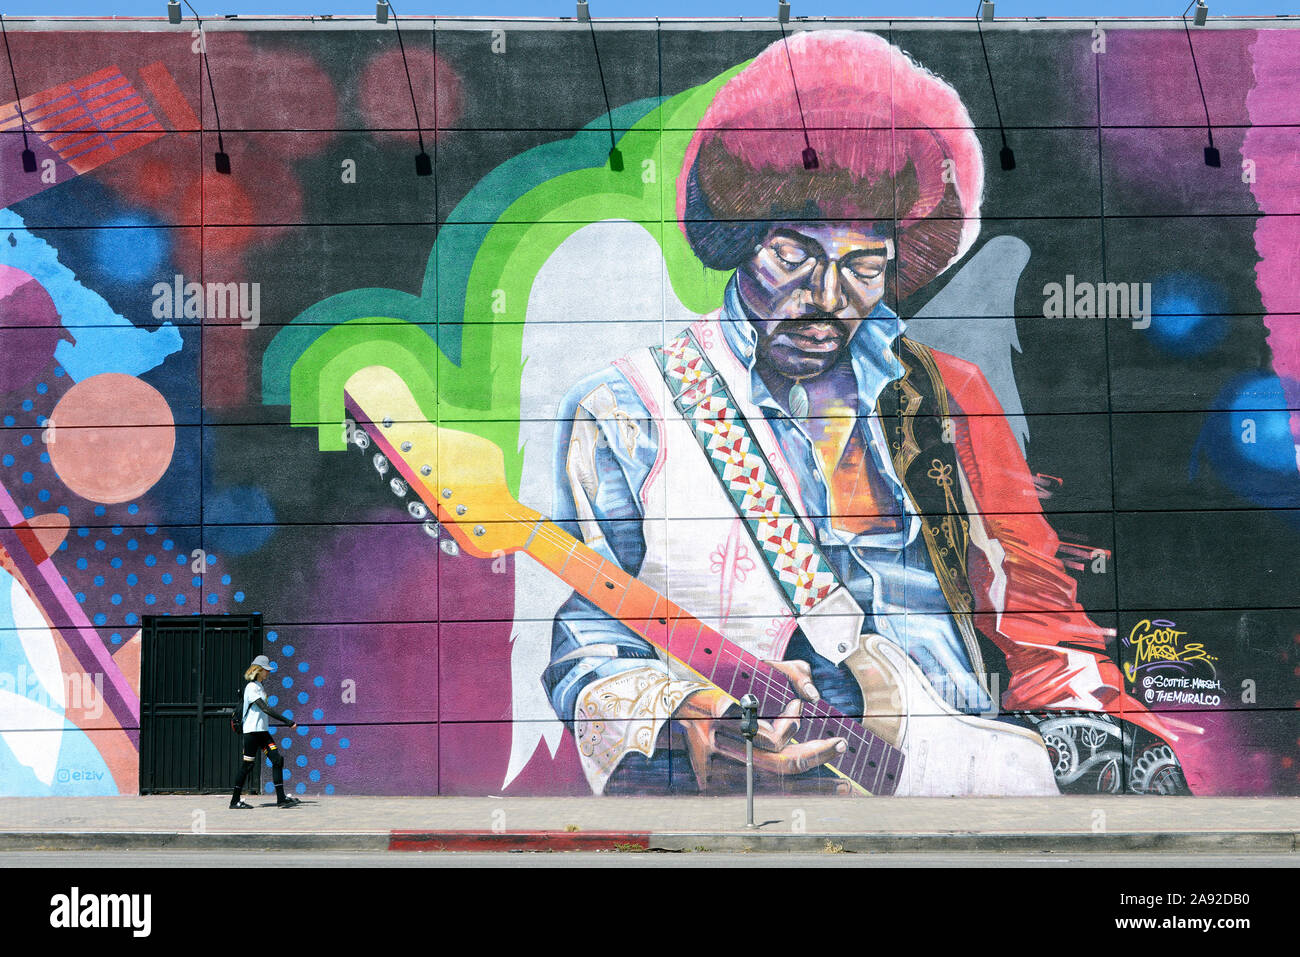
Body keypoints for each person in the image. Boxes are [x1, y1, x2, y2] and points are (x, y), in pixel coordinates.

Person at [543, 30, 1189, 796]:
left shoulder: (948, 396)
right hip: (778, 791)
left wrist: (1103, 738)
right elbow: (588, 649)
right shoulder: (630, 410)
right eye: (793, 257)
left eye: (863, 267)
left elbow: (1038, 608)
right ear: (740, 239)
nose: (825, 298)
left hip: (978, 774)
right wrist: (693, 709)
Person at [230, 654, 303, 809]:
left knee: (277, 760)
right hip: (252, 733)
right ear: (258, 670)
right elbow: (264, 708)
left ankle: (281, 799)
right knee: (247, 766)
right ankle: (234, 801)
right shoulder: (251, 687)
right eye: (266, 670)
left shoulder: (260, 686)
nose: (268, 673)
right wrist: (287, 721)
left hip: (262, 732)